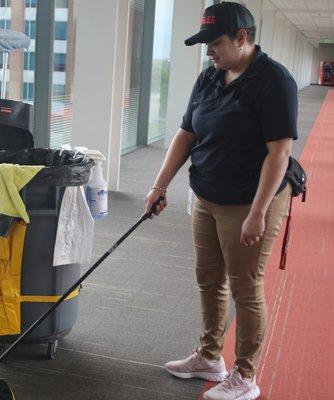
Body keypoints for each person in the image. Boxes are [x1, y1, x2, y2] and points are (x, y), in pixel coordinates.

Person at [144, 2, 298, 400]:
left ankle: (245, 376)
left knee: (246, 288)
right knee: (209, 280)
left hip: (250, 202)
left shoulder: (274, 81)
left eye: (215, 43)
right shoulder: (210, 77)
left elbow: (279, 152)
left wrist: (259, 213)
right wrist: (159, 186)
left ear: (243, 38)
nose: (209, 52)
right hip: (206, 194)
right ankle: (210, 357)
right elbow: (186, 134)